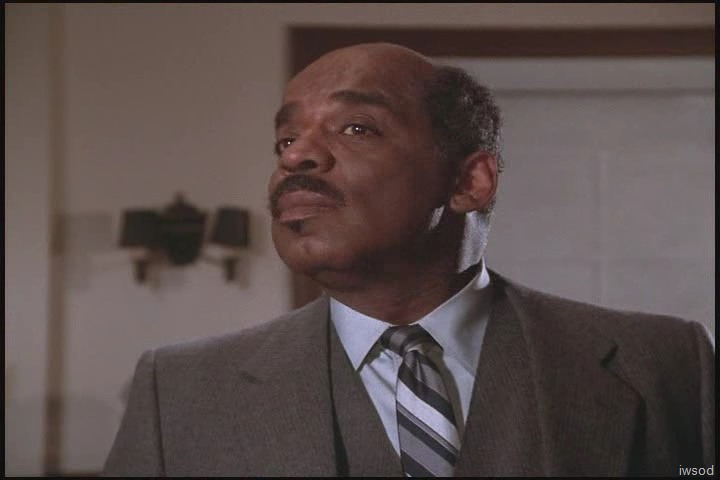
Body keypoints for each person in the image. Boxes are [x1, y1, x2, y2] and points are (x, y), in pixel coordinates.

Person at [104, 43, 715, 477]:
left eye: (355, 128)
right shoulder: (177, 392)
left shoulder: (665, 364)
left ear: (470, 182)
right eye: (287, 138)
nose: (296, 157)